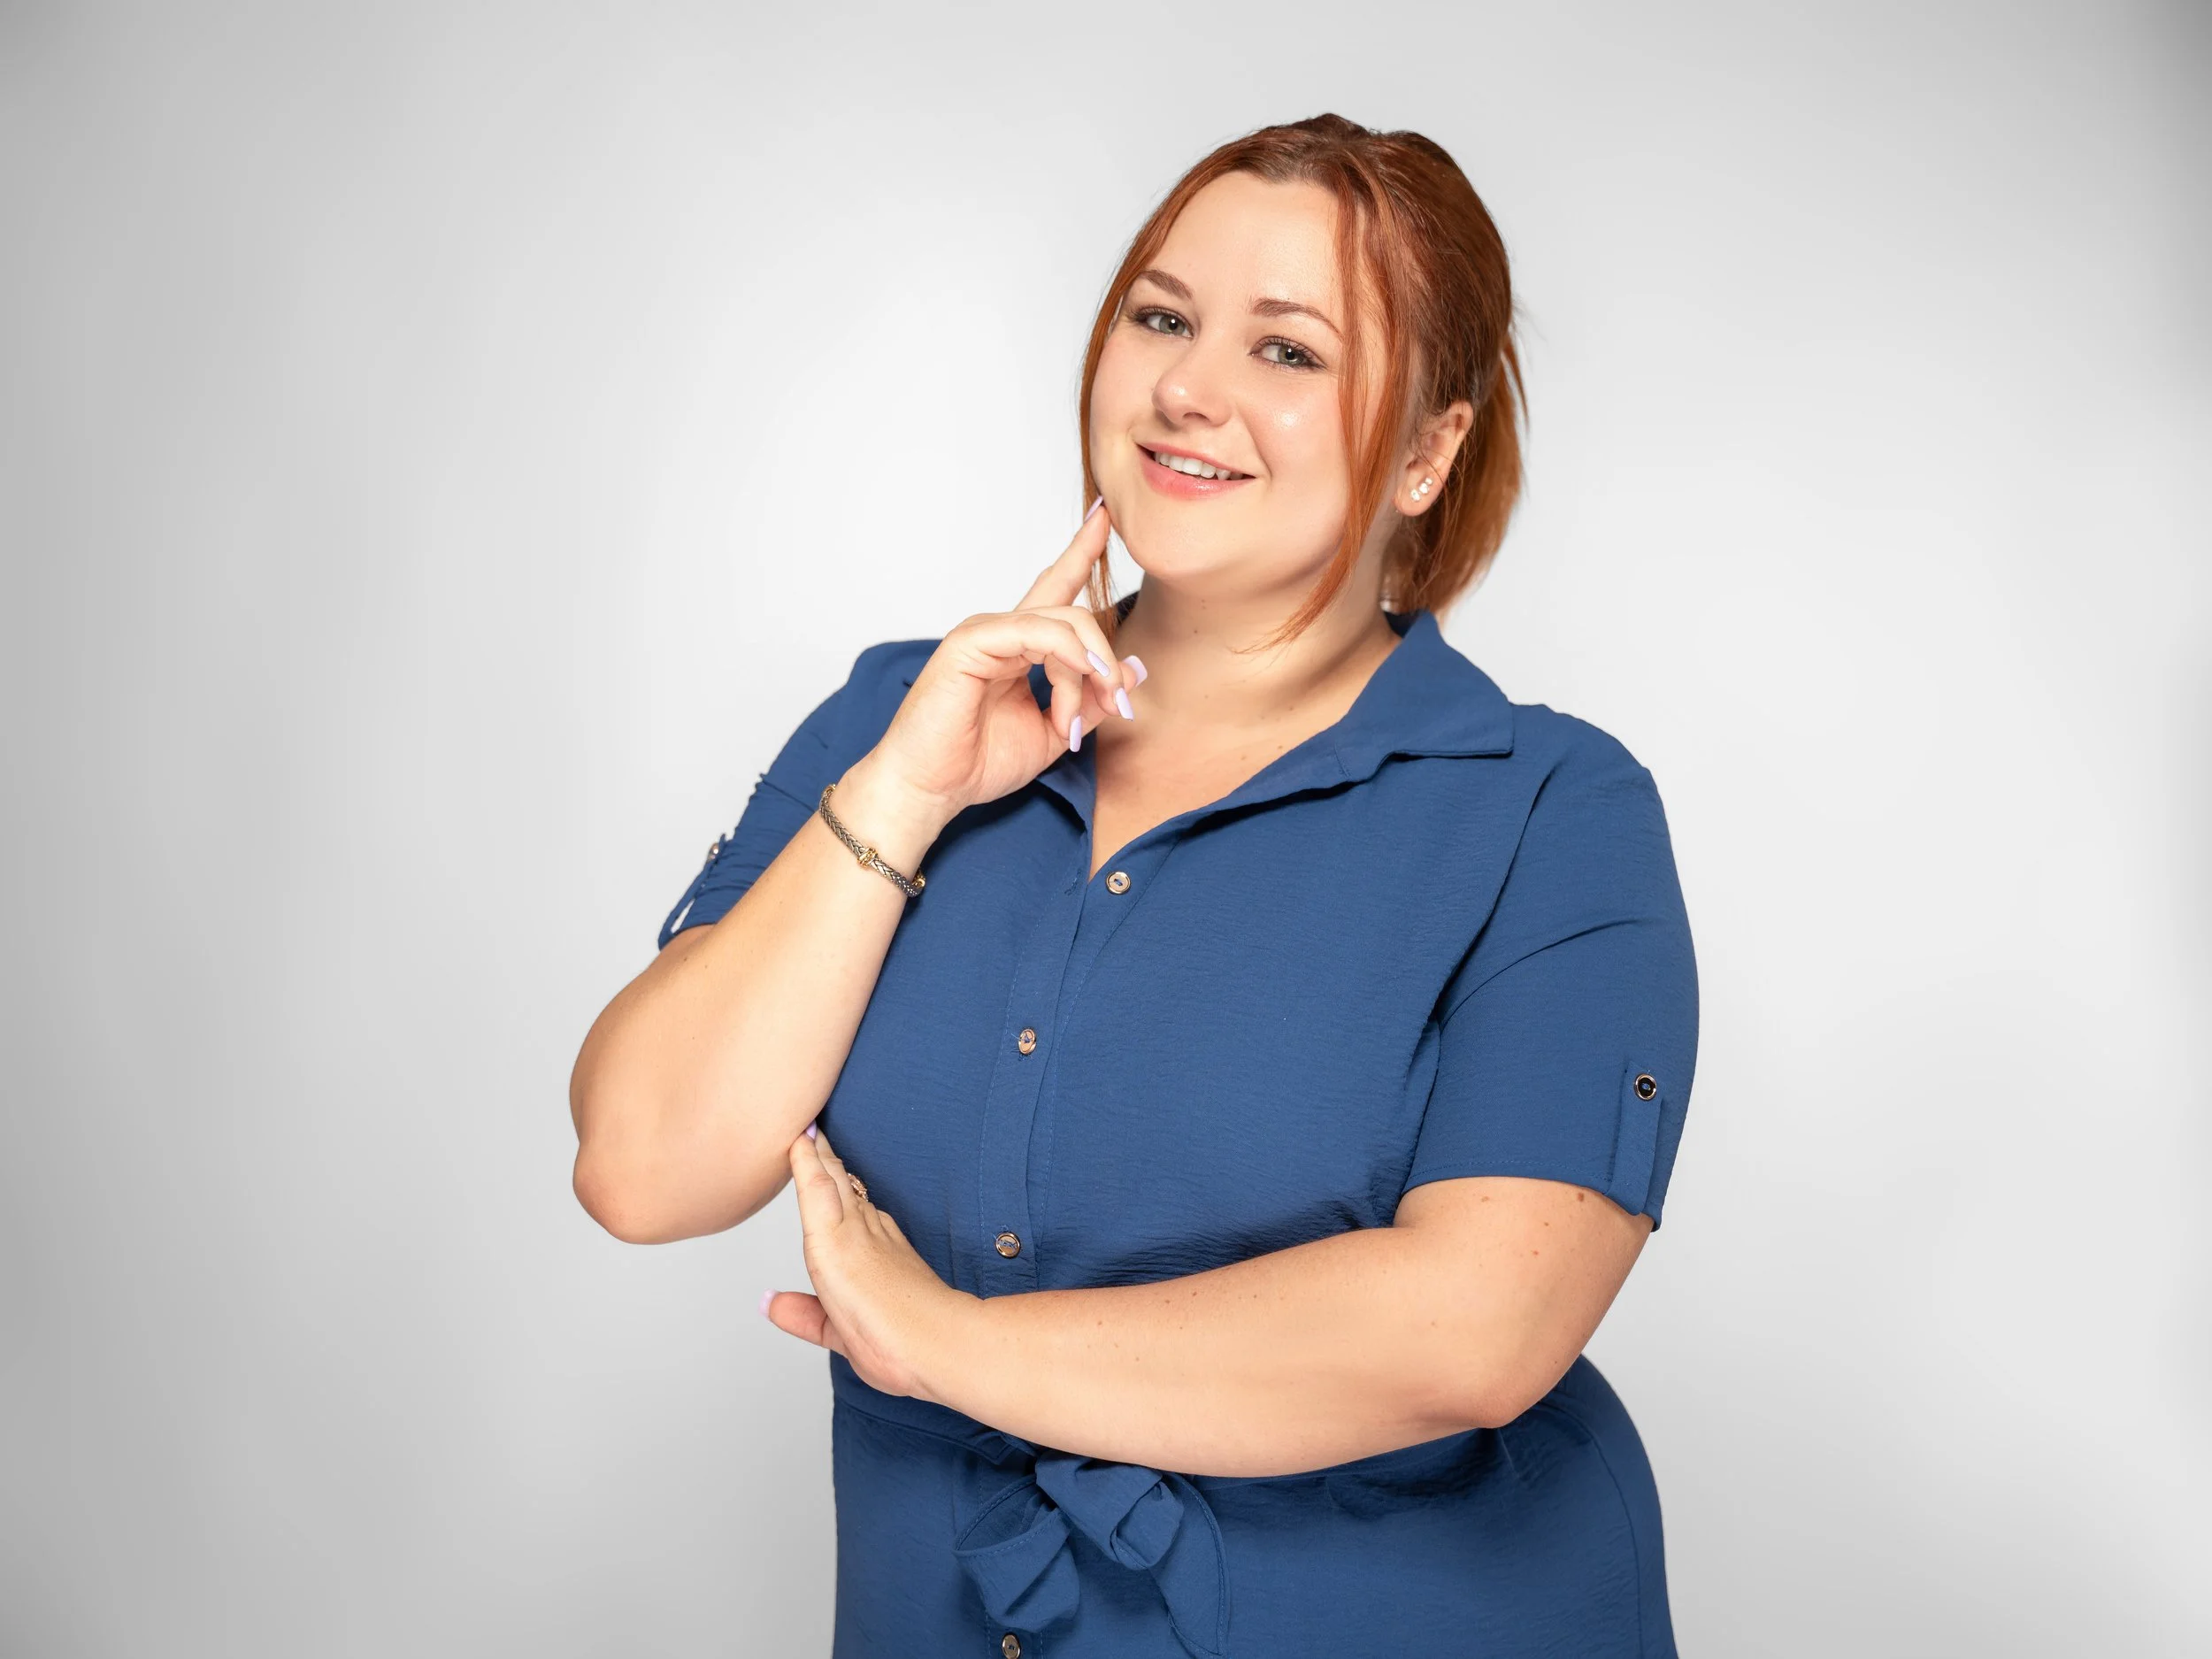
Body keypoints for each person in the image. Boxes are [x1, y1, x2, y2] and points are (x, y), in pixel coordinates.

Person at [570, 112, 1699, 1659]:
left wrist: (945, 1344)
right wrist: (907, 792)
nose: (1187, 387)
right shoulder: (905, 720)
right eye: (1162, 318)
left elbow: (1479, 1327)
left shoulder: (1552, 811)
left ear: (1426, 453)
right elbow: (643, 1164)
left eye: (1288, 350)